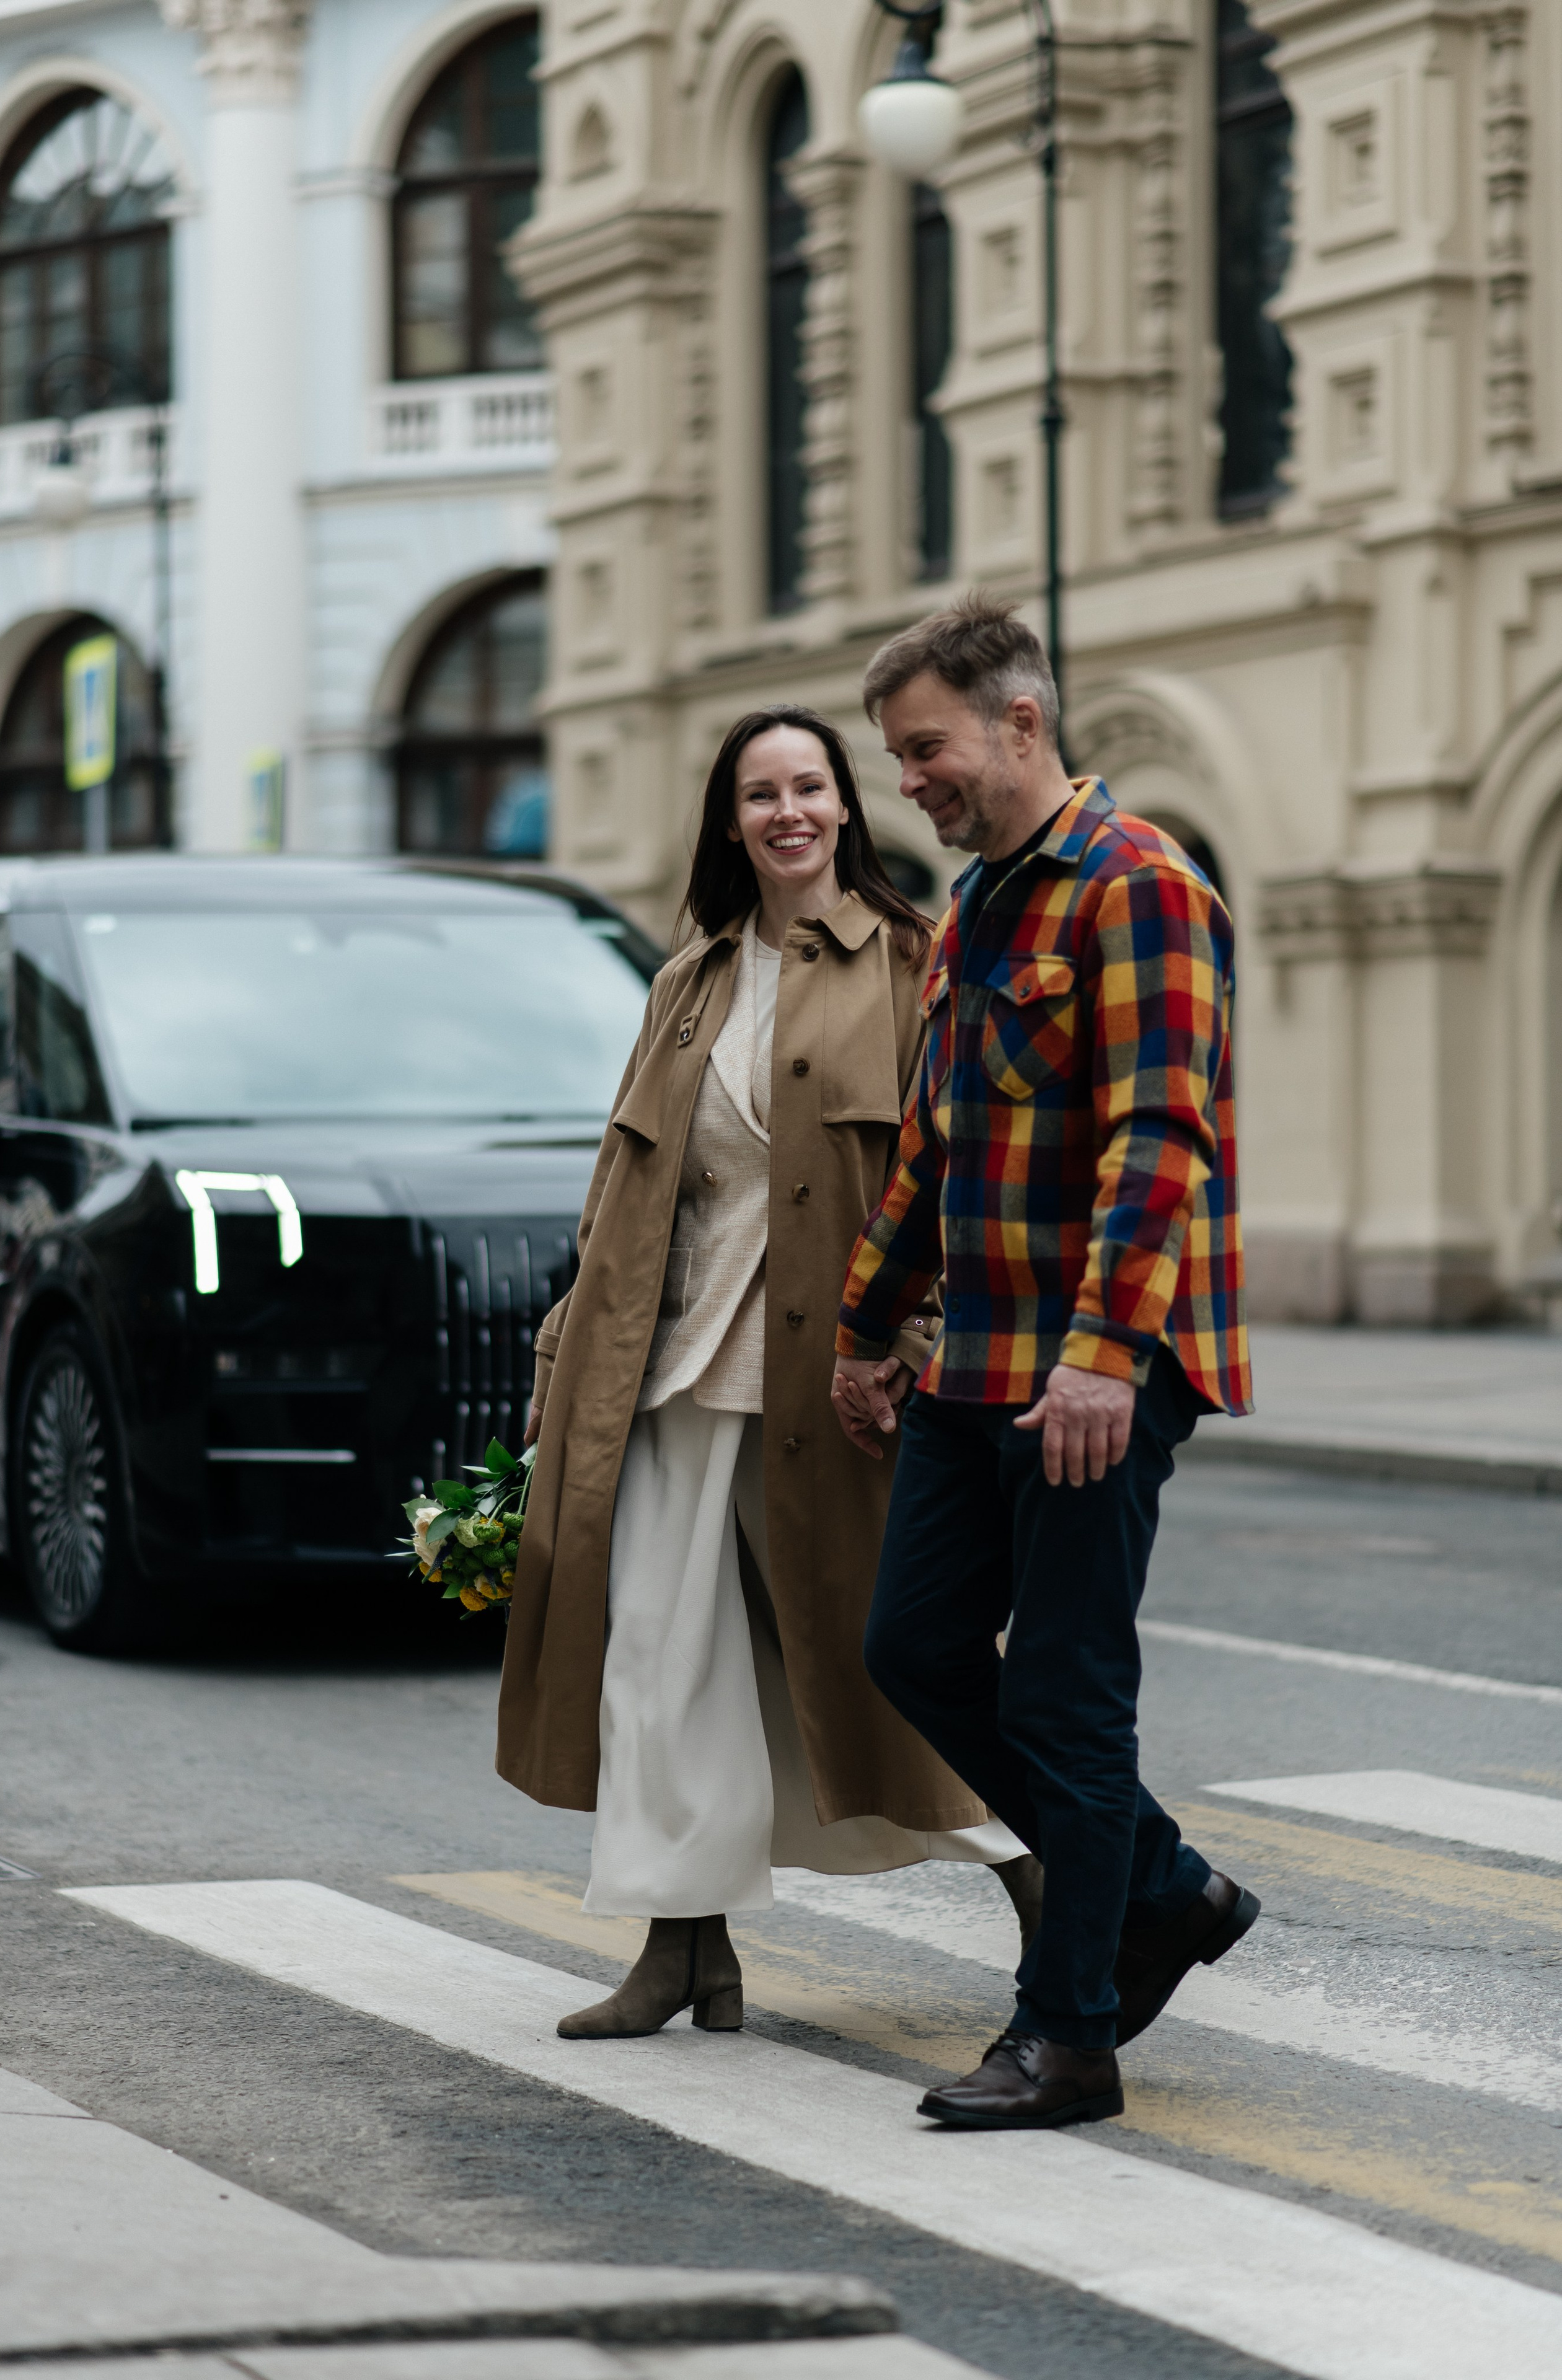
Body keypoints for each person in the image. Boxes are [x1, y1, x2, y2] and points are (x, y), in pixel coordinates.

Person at [496, 703, 1043, 2040]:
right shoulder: (687, 982)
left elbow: (956, 1178)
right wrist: (562, 1356)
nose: (787, 812)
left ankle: (1055, 1885)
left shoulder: (912, 962)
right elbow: (621, 1192)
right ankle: (683, 1948)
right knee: (659, 1664)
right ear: (730, 822)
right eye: (761, 794)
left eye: (809, 787)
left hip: (838, 1383)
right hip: (672, 1376)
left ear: (845, 806)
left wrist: (920, 1343)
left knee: (885, 1662)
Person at [831, 593, 1258, 2131]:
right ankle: (1162, 1887)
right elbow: (933, 1151)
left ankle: (1068, 2037)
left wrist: (1100, 1359)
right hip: (976, 1356)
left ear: (1020, 722)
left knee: (1069, 1698)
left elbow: (1160, 1141)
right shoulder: (973, 909)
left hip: (1092, 1368)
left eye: (924, 749)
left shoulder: (1138, 887)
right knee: (912, 1648)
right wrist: (865, 1328)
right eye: (895, 759)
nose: (907, 784)